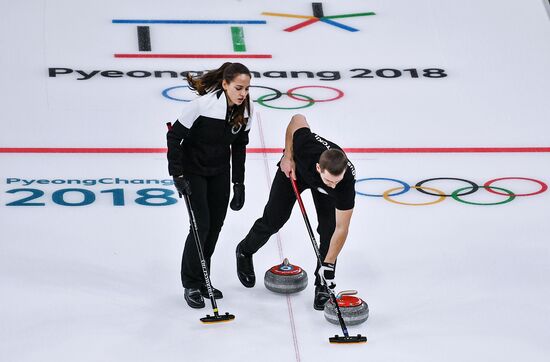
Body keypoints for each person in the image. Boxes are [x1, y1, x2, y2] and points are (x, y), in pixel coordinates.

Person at [235, 114, 356, 310]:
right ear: (319, 168)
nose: (334, 185)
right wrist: (288, 156)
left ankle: (322, 283)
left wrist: (329, 265)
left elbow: (342, 229)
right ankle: (244, 251)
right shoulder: (306, 145)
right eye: (330, 181)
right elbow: (296, 120)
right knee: (274, 219)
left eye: (337, 181)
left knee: (329, 228)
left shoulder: (345, 182)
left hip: (320, 187)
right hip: (296, 171)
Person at [167, 62, 254, 309]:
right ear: (225, 84)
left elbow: (239, 147)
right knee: (201, 226)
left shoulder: (246, 108)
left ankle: (204, 278)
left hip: (219, 172)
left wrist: (239, 183)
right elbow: (174, 137)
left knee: (215, 226)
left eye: (246, 89)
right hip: (193, 170)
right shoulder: (202, 106)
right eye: (238, 88)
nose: (243, 94)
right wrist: (177, 174)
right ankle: (191, 283)